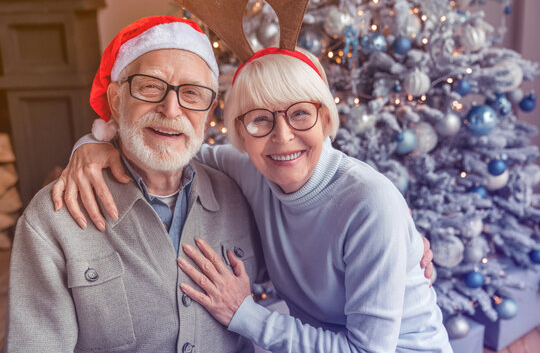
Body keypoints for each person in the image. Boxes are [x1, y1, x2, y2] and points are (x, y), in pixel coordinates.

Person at [54, 43, 450, 351]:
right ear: (241, 133)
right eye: (260, 118)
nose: (281, 136)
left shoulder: (369, 203)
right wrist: (94, 144)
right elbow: (172, 148)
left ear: (326, 117)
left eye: (299, 114)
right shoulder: (252, 168)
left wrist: (244, 314)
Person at [5, 16, 266, 353]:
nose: (171, 110)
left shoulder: (240, 194)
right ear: (116, 100)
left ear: (208, 110)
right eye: (151, 86)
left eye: (192, 93)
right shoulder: (53, 218)